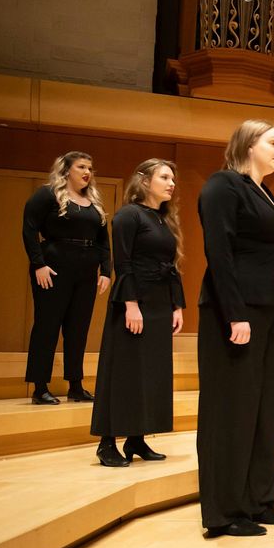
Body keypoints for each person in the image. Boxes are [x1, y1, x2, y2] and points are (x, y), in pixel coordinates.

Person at [196, 119, 274, 538]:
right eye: (272, 142)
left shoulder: (264, 195)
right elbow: (219, 252)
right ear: (248, 145)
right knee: (231, 410)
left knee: (263, 409)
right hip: (236, 312)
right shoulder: (222, 185)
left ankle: (256, 500)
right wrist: (235, 313)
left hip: (268, 315)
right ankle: (224, 511)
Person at [90, 159, 185, 467]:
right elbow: (124, 263)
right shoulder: (129, 215)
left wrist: (177, 304)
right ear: (145, 181)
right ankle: (107, 443)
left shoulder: (162, 219)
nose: (171, 183)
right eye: (165, 177)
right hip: (134, 302)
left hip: (158, 304)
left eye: (172, 178)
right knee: (124, 372)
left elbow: (172, 266)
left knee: (151, 373)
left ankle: (136, 439)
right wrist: (131, 304)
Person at [21, 151, 111, 405]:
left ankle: (75, 385)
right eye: (81, 166)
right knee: (47, 326)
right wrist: (38, 264)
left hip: (86, 270)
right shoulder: (47, 194)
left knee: (78, 329)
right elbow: (29, 228)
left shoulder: (92, 200)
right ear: (66, 170)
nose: (87, 172)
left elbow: (104, 239)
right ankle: (40, 387)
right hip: (53, 267)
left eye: (90, 168)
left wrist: (105, 270)